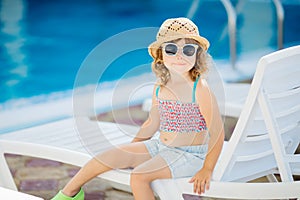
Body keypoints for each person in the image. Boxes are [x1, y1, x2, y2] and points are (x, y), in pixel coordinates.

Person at [52, 17, 224, 200]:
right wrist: (130, 150)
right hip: (162, 147)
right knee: (107, 157)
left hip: (190, 155)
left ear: (197, 55)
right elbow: (152, 123)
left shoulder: (199, 88)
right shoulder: (161, 86)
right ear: (161, 55)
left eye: (188, 50)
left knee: (139, 176)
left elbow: (217, 132)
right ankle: (69, 193)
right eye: (171, 49)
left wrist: (207, 169)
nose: (180, 56)